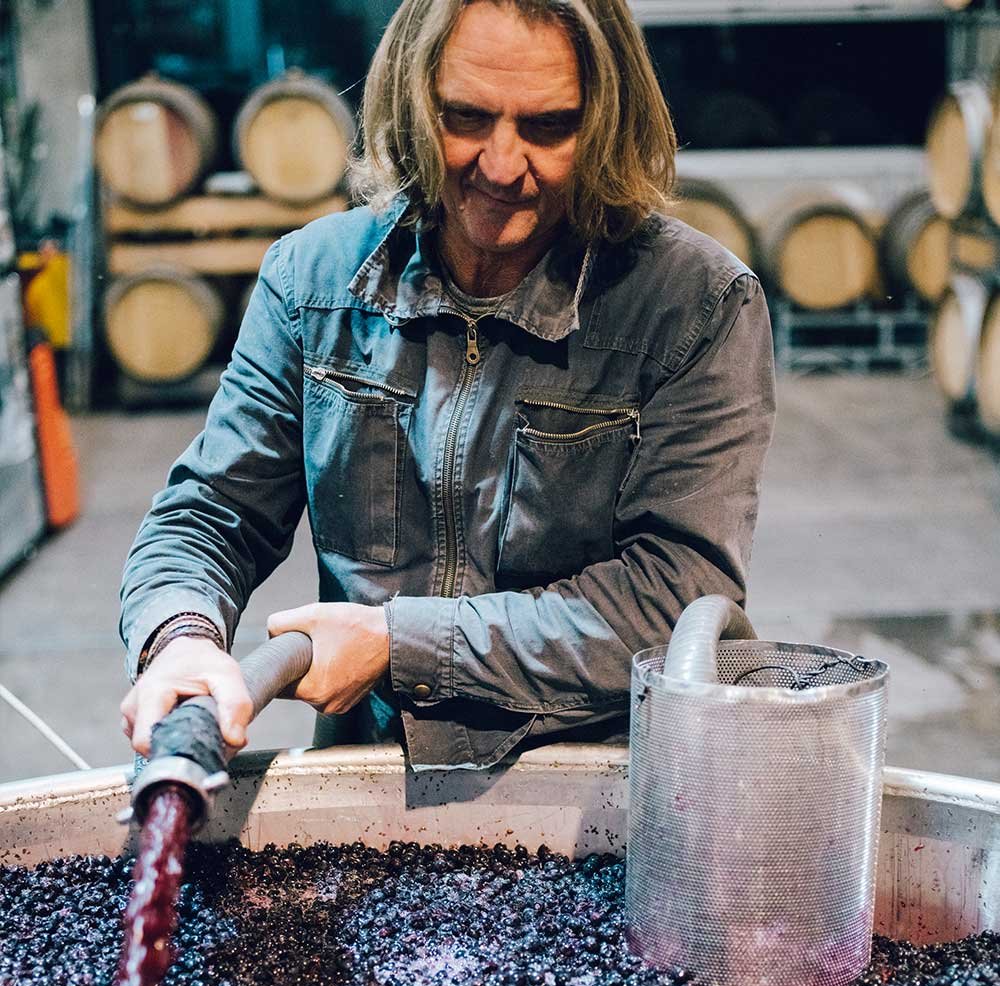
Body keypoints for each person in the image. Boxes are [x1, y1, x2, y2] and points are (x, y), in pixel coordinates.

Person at [119, 0, 776, 770]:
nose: (501, 165)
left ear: (605, 120)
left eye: (548, 127)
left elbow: (675, 599)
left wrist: (402, 645)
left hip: (605, 785)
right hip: (370, 783)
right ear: (411, 98)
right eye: (465, 117)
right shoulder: (314, 282)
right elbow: (210, 514)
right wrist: (180, 637)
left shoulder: (692, 304)